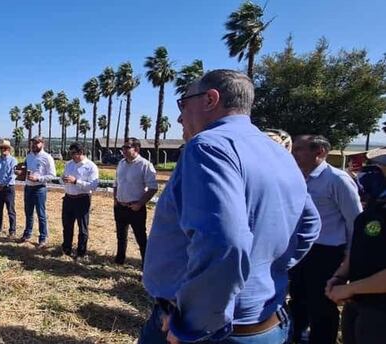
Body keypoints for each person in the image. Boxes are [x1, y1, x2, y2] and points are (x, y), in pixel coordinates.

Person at [140, 70, 321, 344]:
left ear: (211, 99)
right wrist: (267, 268)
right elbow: (309, 225)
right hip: (267, 322)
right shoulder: (278, 154)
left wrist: (192, 324)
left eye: (183, 104)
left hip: (210, 332)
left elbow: (224, 242)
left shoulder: (208, 147)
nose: (179, 117)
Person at [289, 134, 363, 344]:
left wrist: (349, 257)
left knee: (322, 306)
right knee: (298, 301)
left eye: (299, 149)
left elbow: (355, 220)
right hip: (301, 250)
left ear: (319, 152)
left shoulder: (337, 180)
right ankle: (297, 337)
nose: (293, 154)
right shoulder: (297, 177)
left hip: (327, 253)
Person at [326, 148, 386, 344]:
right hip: (362, 304)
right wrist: (341, 275)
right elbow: (364, 242)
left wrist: (350, 289)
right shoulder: (380, 196)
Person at [113, 138, 158, 266]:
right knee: (121, 236)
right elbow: (116, 183)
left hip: (135, 208)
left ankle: (146, 265)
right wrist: (115, 199)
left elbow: (153, 188)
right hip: (120, 206)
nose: (124, 150)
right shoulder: (121, 163)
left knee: (140, 238)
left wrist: (139, 204)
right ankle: (119, 260)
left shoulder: (145, 165)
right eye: (123, 147)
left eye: (127, 147)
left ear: (136, 149)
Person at [60, 142, 99, 261]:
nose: (71, 155)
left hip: (82, 199)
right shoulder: (69, 164)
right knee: (67, 226)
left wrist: (76, 181)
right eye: (70, 153)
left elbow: (93, 186)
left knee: (82, 228)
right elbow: (63, 179)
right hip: (68, 198)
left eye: (73, 153)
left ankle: (81, 253)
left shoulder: (91, 166)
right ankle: (66, 249)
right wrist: (63, 180)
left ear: (81, 152)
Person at [17, 136, 57, 248]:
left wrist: (38, 179)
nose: (34, 145)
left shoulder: (47, 157)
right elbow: (25, 169)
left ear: (42, 144)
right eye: (33, 143)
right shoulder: (29, 156)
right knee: (28, 212)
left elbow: (52, 175)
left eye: (37, 143)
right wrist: (20, 172)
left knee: (41, 214)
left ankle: (43, 238)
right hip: (28, 187)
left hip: (40, 188)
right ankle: (27, 234)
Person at [0, 139, 18, 237]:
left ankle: (12, 230)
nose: (3, 150)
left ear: (9, 149)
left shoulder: (13, 161)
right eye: (1, 148)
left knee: (10, 210)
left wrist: (3, 184)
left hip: (8, 188)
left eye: (5, 148)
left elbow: (13, 175)